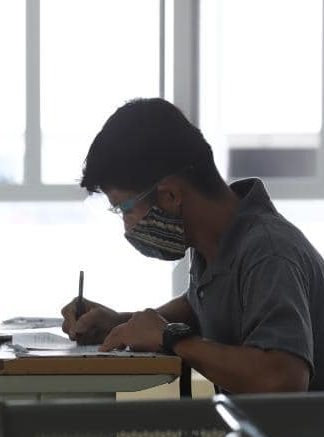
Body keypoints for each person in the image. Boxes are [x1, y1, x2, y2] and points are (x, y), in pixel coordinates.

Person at [61, 97, 324, 393]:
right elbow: (201, 305)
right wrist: (120, 324)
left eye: (125, 209)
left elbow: (282, 380)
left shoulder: (269, 253)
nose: (126, 224)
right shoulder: (217, 243)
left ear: (171, 195)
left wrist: (170, 338)